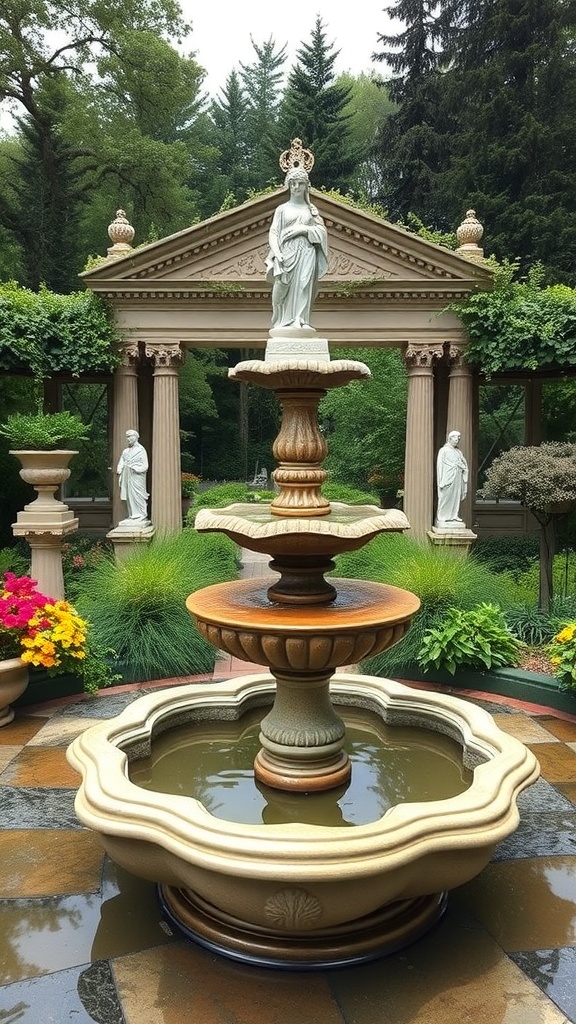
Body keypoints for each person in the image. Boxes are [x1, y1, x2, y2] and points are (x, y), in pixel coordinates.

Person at [265, 166, 329, 329]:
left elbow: (322, 232)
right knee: (283, 286)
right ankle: (282, 320)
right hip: (286, 253)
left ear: (306, 186)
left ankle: (300, 319)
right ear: (288, 184)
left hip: (307, 251)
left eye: (300, 184)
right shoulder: (282, 209)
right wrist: (277, 253)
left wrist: (303, 229)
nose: (296, 187)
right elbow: (273, 233)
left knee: (304, 284)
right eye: (293, 183)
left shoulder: (311, 210)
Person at [117, 429, 149, 524]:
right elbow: (121, 462)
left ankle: (141, 514)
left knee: (138, 494)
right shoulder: (126, 451)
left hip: (137, 476)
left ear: (135, 437)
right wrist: (120, 468)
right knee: (129, 495)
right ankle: (132, 515)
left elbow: (145, 465)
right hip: (127, 475)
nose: (128, 439)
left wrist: (136, 468)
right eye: (127, 437)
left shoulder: (141, 450)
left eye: (130, 436)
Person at [436, 430, 469, 525]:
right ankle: (442, 515)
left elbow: (464, 464)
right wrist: (441, 479)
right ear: (449, 439)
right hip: (448, 477)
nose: (457, 440)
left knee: (456, 496)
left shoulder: (458, 452)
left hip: (457, 477)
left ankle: (454, 515)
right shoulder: (443, 450)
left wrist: (463, 468)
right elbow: (440, 466)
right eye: (455, 438)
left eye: (458, 438)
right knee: (446, 496)